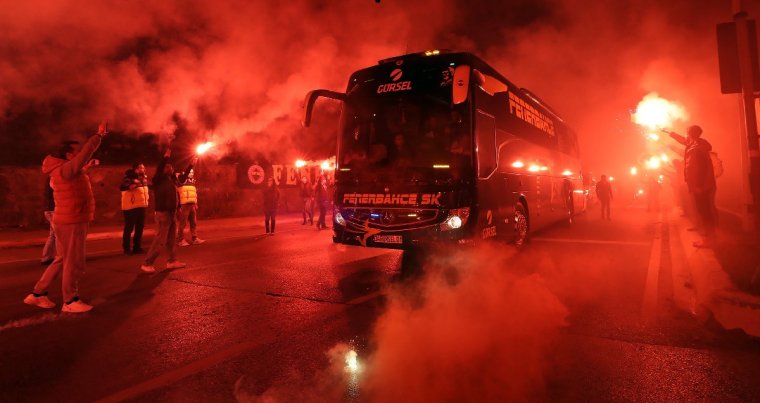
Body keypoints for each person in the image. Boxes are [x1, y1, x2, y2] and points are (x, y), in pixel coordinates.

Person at [24, 124, 107, 313]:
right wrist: (98, 135)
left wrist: (87, 165)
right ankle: (70, 300)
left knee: (61, 258)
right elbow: (84, 155)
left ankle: (37, 294)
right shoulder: (65, 170)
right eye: (76, 152)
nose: (79, 155)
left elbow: (78, 169)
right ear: (69, 156)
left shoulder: (63, 170)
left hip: (67, 219)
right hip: (73, 220)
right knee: (74, 261)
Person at [668, 125, 717, 248]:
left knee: (705, 212)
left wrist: (700, 186)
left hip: (702, 187)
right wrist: (670, 133)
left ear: (691, 133)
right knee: (703, 212)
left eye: (687, 132)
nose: (686, 135)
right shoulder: (695, 144)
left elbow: (702, 169)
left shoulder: (697, 148)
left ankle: (709, 240)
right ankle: (709, 238)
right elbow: (684, 141)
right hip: (699, 186)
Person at [141, 149, 187, 273]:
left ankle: (172, 261)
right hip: (163, 213)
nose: (169, 168)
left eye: (170, 167)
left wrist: (191, 164)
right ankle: (147, 263)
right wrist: (165, 157)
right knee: (160, 240)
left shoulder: (171, 181)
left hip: (171, 213)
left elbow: (182, 180)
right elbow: (160, 167)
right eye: (166, 166)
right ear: (162, 169)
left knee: (171, 240)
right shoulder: (159, 180)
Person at [120, 162, 149, 255]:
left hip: (141, 206)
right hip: (130, 208)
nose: (143, 170)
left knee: (140, 228)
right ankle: (126, 248)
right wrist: (133, 184)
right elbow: (123, 187)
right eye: (141, 168)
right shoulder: (129, 177)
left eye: (144, 168)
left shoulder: (143, 179)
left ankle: (137, 247)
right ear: (136, 169)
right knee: (129, 228)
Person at [176, 159, 205, 246]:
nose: (192, 173)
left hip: (192, 204)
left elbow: (194, 193)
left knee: (193, 222)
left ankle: (194, 238)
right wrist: (179, 206)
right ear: (185, 173)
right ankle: (180, 240)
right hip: (184, 205)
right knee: (183, 223)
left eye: (192, 172)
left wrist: (195, 203)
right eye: (190, 172)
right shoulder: (181, 180)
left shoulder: (192, 182)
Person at [40, 177, 56, 265]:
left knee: (53, 235)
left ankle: (47, 257)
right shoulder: (53, 178)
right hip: (53, 210)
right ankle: (65, 257)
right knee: (59, 235)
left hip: (49, 209)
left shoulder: (50, 177)